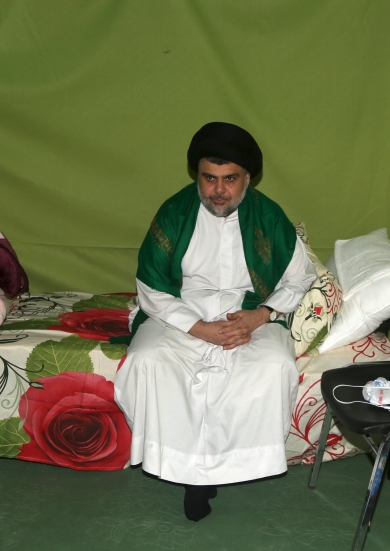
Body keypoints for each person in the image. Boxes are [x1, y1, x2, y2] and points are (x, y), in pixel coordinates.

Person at [114, 122, 316, 521]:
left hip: (250, 312)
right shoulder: (175, 212)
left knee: (272, 366)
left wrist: (262, 315)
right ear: (198, 176)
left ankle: (224, 466)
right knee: (148, 361)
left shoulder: (269, 215)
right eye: (210, 178)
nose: (218, 190)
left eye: (230, 179)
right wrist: (199, 328)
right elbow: (151, 288)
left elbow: (300, 277)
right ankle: (190, 473)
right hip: (180, 311)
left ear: (247, 179)